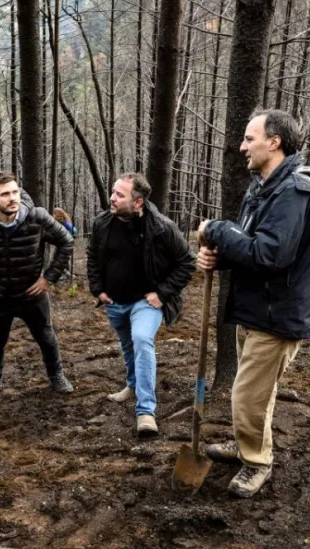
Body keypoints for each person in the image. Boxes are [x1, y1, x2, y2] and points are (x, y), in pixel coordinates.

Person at [196, 109, 310, 498]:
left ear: (274, 142)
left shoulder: (294, 193)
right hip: (258, 308)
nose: (242, 146)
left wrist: (217, 230)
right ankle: (247, 445)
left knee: (247, 395)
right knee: (255, 393)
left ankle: (257, 461)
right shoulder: (263, 187)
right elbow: (251, 243)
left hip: (279, 315)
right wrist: (220, 256)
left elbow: (270, 255)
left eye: (249, 138)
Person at [87, 173, 195, 437]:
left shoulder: (161, 227)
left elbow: (187, 262)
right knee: (128, 345)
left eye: (119, 195)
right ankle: (133, 385)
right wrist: (98, 290)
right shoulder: (102, 223)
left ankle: (146, 411)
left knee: (141, 339)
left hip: (145, 302)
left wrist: (162, 294)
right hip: (114, 301)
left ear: (138, 202)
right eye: (113, 192)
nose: (112, 198)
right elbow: (92, 256)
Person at [0, 171, 75, 398]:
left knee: (46, 337)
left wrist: (48, 278)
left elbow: (66, 241)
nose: (12, 198)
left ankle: (56, 375)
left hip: (32, 294)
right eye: (5, 194)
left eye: (15, 192)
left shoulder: (37, 217)